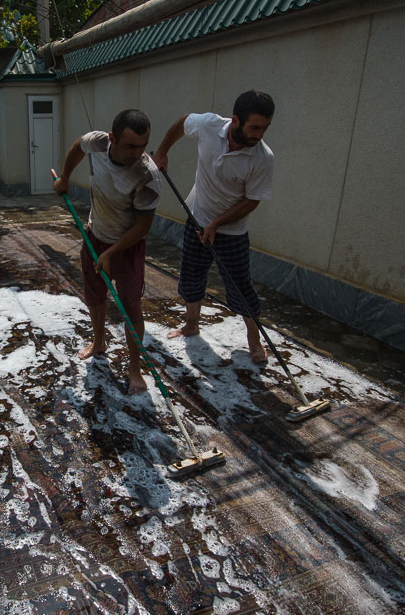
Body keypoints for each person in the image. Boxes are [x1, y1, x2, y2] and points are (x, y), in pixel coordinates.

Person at [151, 90, 275, 364]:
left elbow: (251, 201)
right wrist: (161, 152)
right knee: (191, 276)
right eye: (254, 127)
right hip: (197, 217)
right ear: (235, 121)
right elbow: (183, 123)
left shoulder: (262, 158)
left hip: (231, 231)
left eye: (264, 128)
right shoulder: (209, 125)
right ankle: (191, 324)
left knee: (241, 286)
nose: (259, 134)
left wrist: (217, 224)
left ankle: (254, 341)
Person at [53, 109, 163, 395]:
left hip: (127, 246)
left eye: (143, 145)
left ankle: (135, 369)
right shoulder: (98, 142)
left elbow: (142, 226)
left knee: (130, 306)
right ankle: (99, 341)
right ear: (113, 138)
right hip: (95, 235)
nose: (138, 153)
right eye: (130, 145)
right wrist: (65, 177)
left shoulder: (147, 176)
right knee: (95, 294)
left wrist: (114, 252)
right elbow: (79, 145)